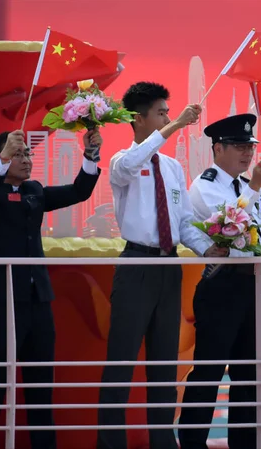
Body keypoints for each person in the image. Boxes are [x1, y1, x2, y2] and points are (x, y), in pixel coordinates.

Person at [97, 81, 225, 449]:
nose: (169, 118)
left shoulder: (171, 167)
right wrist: (175, 127)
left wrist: (206, 249)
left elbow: (184, 221)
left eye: (169, 113)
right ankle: (110, 443)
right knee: (121, 359)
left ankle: (162, 441)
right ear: (138, 119)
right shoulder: (123, 161)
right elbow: (135, 161)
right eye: (161, 113)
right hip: (137, 264)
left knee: (164, 364)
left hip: (169, 267)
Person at [0, 128, 102, 449]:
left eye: (28, 153)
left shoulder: (34, 190)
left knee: (41, 386)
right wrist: (3, 157)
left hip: (38, 301)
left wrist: (91, 155)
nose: (27, 159)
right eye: (19, 153)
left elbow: (78, 192)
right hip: (1, 301)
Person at [178, 113, 261, 449]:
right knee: (208, 373)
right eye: (239, 146)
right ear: (218, 148)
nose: (247, 152)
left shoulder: (246, 187)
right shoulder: (204, 186)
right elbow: (231, 230)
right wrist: (254, 187)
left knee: (248, 376)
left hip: (251, 285)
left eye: (249, 146)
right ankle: (192, 442)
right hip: (220, 284)